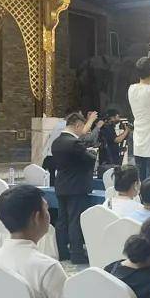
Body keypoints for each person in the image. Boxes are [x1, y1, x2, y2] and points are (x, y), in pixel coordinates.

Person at [51, 112, 99, 264]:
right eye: (82, 127)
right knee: (75, 221)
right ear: (78, 125)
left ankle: (63, 252)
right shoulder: (74, 143)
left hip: (61, 185)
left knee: (62, 220)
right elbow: (90, 159)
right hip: (76, 186)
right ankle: (77, 254)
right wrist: (93, 153)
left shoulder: (56, 142)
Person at [96, 110, 129, 175]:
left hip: (111, 155)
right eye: (118, 117)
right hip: (109, 158)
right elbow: (116, 140)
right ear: (112, 117)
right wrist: (126, 131)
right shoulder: (107, 127)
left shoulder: (109, 127)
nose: (119, 119)